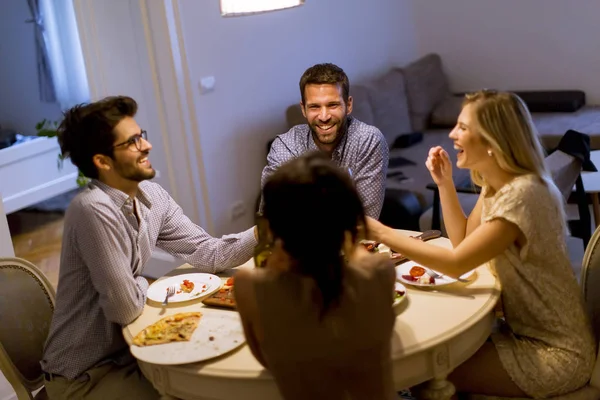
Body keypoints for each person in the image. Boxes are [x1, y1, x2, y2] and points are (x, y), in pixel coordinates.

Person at [367, 90, 596, 398]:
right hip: (522, 333)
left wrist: (380, 232)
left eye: (463, 127)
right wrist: (445, 184)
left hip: (557, 352)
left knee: (423, 373)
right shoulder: (497, 185)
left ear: (492, 140)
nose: (452, 133)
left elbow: (458, 262)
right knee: (434, 355)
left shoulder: (523, 194)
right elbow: (463, 241)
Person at [41, 96, 257, 399]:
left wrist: (264, 229)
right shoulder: (92, 210)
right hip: (86, 375)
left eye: (141, 135)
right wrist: (145, 281)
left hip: (134, 351)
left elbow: (211, 254)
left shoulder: (152, 196)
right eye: (131, 142)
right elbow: (124, 307)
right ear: (102, 162)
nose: (146, 146)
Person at [236, 151, 397, 400]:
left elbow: (266, 360)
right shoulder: (381, 273)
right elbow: (359, 255)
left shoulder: (249, 288)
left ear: (271, 227)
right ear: (349, 223)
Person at [259, 63, 388, 218]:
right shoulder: (286, 146)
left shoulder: (367, 140)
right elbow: (274, 219)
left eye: (332, 105)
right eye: (314, 107)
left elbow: (365, 221)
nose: (324, 116)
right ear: (303, 109)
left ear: (348, 105)